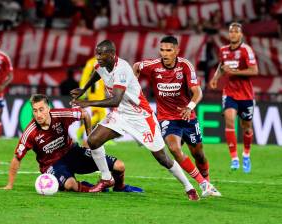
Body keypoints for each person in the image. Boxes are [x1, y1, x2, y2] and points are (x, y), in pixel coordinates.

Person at [71, 40, 203, 200]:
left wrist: (86, 102)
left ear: (112, 55)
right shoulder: (101, 66)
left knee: (162, 157)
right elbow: (98, 74)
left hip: (140, 116)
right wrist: (83, 89)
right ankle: (106, 178)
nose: (97, 57)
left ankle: (188, 187)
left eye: (101, 54)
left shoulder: (123, 69)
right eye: (96, 53)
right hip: (119, 114)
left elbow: (115, 100)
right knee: (93, 141)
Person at [0, 94, 143, 193]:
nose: (38, 114)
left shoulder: (60, 115)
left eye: (41, 109)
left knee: (119, 166)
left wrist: (90, 138)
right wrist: (9, 185)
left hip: (72, 152)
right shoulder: (31, 132)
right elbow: (17, 158)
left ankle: (120, 187)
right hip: (51, 165)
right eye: (35, 110)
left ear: (48, 108)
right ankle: (92, 188)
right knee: (70, 184)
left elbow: (84, 114)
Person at [133, 36, 221, 197]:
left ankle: (207, 182)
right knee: (174, 148)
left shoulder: (185, 66)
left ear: (176, 51)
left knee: (199, 155)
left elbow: (197, 92)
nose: (164, 54)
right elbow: (137, 66)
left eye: (169, 50)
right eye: (162, 50)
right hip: (167, 117)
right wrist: (134, 84)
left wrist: (190, 107)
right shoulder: (153, 66)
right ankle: (203, 184)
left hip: (187, 116)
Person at [209, 22, 258, 173]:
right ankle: (234, 158)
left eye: (236, 32)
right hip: (229, 93)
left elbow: (254, 70)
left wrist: (234, 72)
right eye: (231, 32)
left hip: (246, 95)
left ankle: (246, 155)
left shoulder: (246, 50)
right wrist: (216, 77)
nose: (233, 34)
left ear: (241, 34)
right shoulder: (223, 50)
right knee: (230, 121)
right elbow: (222, 66)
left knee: (247, 127)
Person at [76, 57, 108, 146]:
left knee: (98, 117)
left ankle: (80, 131)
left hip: (100, 94)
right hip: (95, 95)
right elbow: (85, 76)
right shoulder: (92, 62)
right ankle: (104, 139)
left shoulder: (104, 63)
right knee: (103, 116)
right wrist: (82, 90)